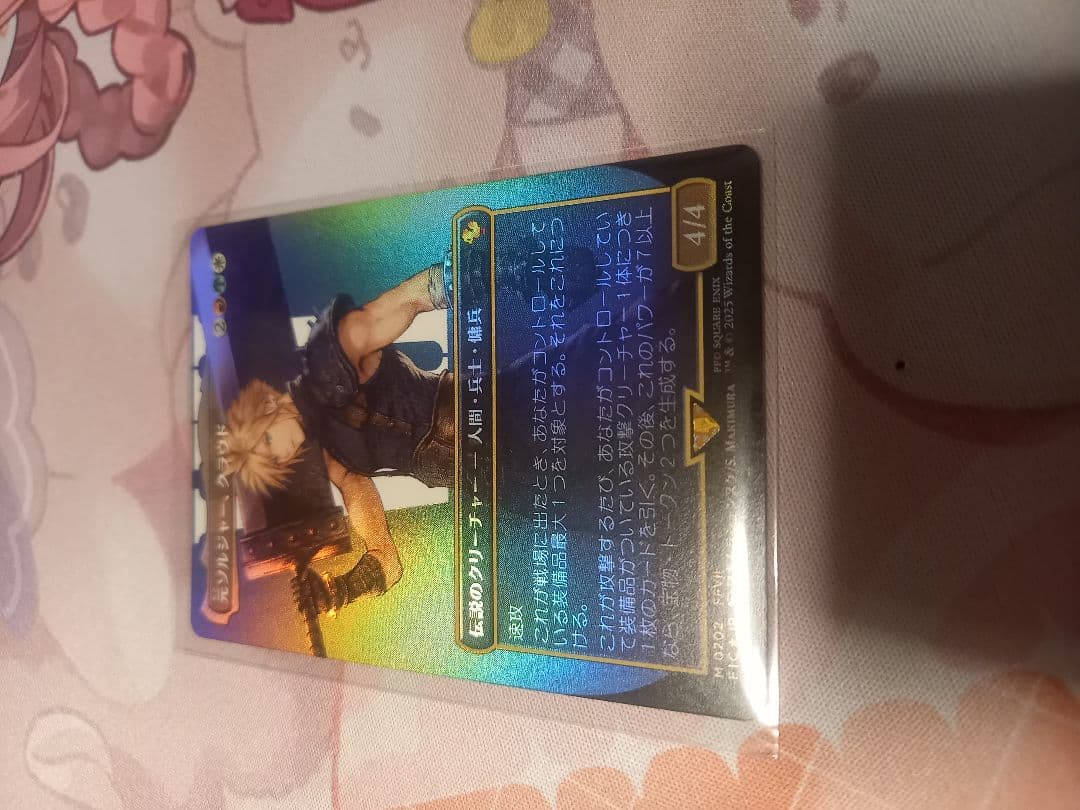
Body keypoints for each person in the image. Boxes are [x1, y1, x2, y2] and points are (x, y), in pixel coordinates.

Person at [223, 262, 454, 615]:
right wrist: (337, 592)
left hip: (499, 410)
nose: (281, 457)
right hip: (485, 479)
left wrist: (504, 267)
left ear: (270, 405)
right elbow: (387, 561)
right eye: (273, 463)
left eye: (266, 444)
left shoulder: (332, 353)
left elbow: (416, 295)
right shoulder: (334, 459)